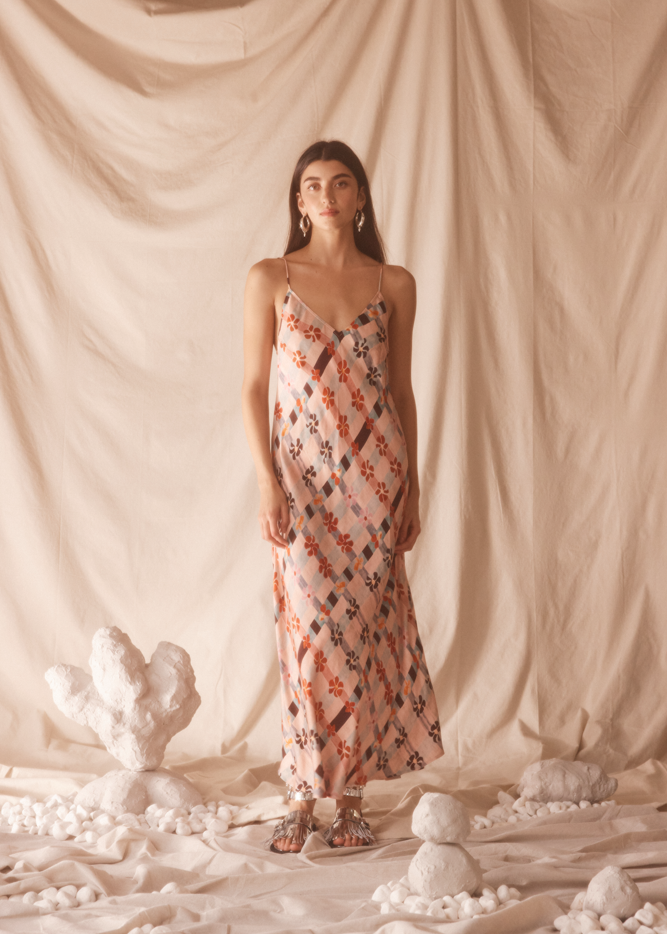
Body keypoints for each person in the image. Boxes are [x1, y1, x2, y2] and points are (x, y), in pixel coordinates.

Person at [242, 140, 443, 853]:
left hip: (376, 478)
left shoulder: (394, 283)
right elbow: (250, 390)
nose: (326, 195)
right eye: (312, 186)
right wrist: (267, 481)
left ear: (359, 197)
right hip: (300, 483)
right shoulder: (270, 277)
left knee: (358, 637)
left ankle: (350, 798)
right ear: (299, 202)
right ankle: (300, 794)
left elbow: (401, 391)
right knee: (306, 635)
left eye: (340, 183)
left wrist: (412, 483)